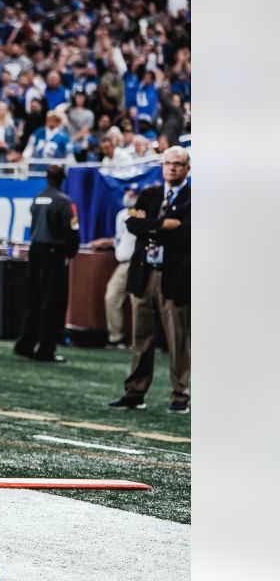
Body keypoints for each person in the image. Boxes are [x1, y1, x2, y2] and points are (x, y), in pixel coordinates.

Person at [110, 147, 191, 413]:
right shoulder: (149, 194)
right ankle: (135, 393)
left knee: (177, 339)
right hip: (144, 273)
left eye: (178, 164)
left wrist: (152, 227)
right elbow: (133, 224)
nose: (172, 168)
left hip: (174, 276)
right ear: (162, 166)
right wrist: (163, 225)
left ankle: (180, 395)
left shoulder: (194, 198)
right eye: (168, 163)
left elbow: (186, 234)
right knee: (141, 338)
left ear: (187, 169)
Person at [13, 164, 80, 363]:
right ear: (63, 178)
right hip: (54, 253)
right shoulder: (65, 202)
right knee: (52, 302)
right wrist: (70, 251)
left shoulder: (37, 198)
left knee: (33, 299)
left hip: (36, 250)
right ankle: (45, 349)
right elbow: (72, 230)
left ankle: (25, 343)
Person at [90, 183, 139, 347]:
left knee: (138, 302)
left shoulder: (146, 213)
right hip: (123, 262)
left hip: (138, 263)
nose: (129, 195)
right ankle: (116, 337)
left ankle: (139, 341)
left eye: (133, 192)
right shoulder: (121, 215)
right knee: (112, 296)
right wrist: (106, 242)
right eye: (127, 191)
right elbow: (121, 238)